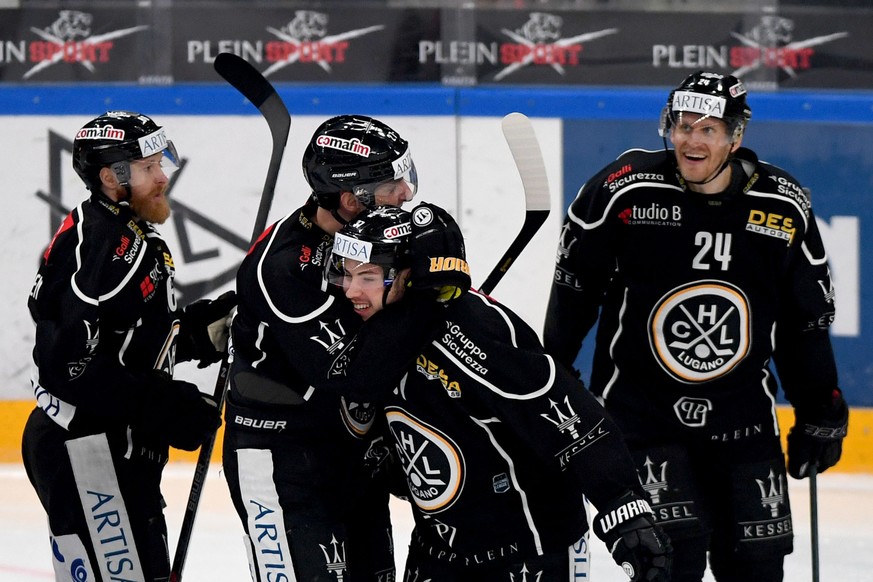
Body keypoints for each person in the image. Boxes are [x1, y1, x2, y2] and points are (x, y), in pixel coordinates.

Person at [543, 70, 850, 582]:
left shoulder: (781, 205)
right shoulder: (623, 191)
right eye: (682, 125)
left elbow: (805, 322)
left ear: (736, 135)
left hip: (745, 420)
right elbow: (574, 294)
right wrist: (555, 390)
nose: (692, 139)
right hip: (643, 419)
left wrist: (821, 408)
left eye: (708, 128)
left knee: (756, 569)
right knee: (667, 565)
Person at [327, 204, 673, 581]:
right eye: (346, 274)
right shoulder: (369, 329)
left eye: (368, 276)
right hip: (440, 550)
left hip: (530, 551)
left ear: (410, 276)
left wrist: (624, 510)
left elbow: (567, 416)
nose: (351, 290)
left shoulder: (470, 330)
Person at [222, 115, 464, 582]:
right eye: (393, 183)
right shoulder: (285, 266)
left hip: (353, 456)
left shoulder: (378, 239)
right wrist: (429, 297)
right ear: (353, 198)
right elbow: (353, 372)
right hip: (283, 462)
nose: (406, 194)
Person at [22, 111, 234, 582]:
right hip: (88, 453)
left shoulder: (118, 230)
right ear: (110, 177)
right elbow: (67, 365)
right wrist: (163, 404)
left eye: (161, 163)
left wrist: (198, 331)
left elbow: (125, 340)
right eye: (148, 168)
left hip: (102, 449)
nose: (162, 178)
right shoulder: (107, 243)